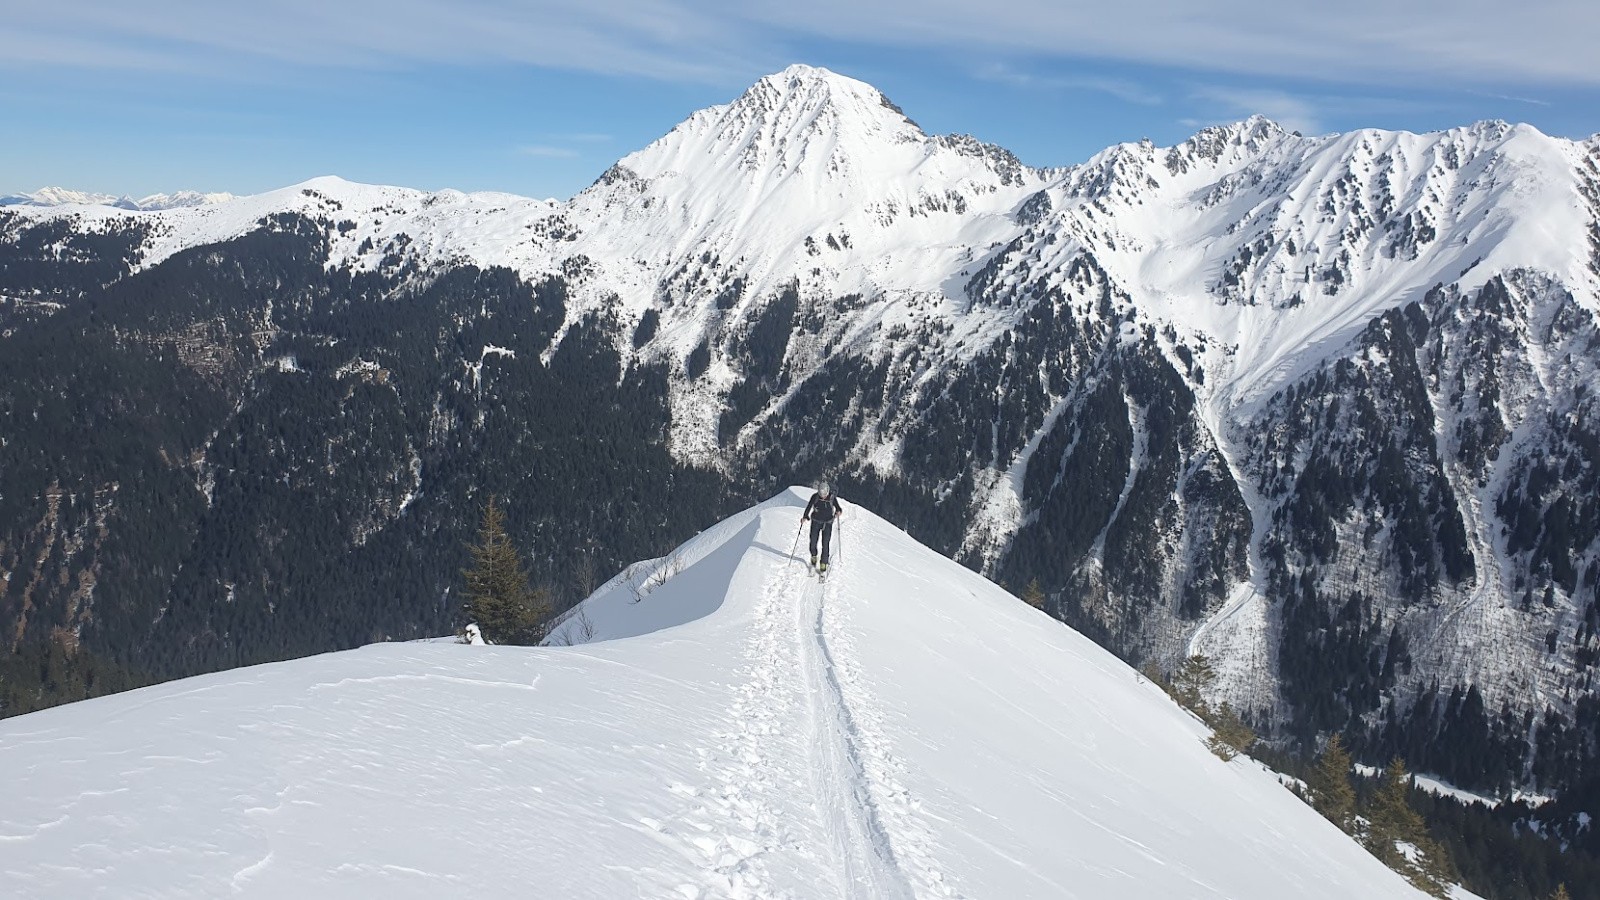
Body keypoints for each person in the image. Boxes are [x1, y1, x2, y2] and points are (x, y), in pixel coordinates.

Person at [802, 482, 843, 572]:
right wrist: (805, 516)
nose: (822, 496)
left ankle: (823, 563)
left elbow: (838, 508)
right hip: (815, 522)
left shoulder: (832, 498)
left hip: (827, 523)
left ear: (827, 492)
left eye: (824, 495)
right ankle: (814, 555)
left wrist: (838, 512)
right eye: (821, 494)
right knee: (813, 541)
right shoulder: (815, 497)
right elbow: (809, 507)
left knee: (825, 543)